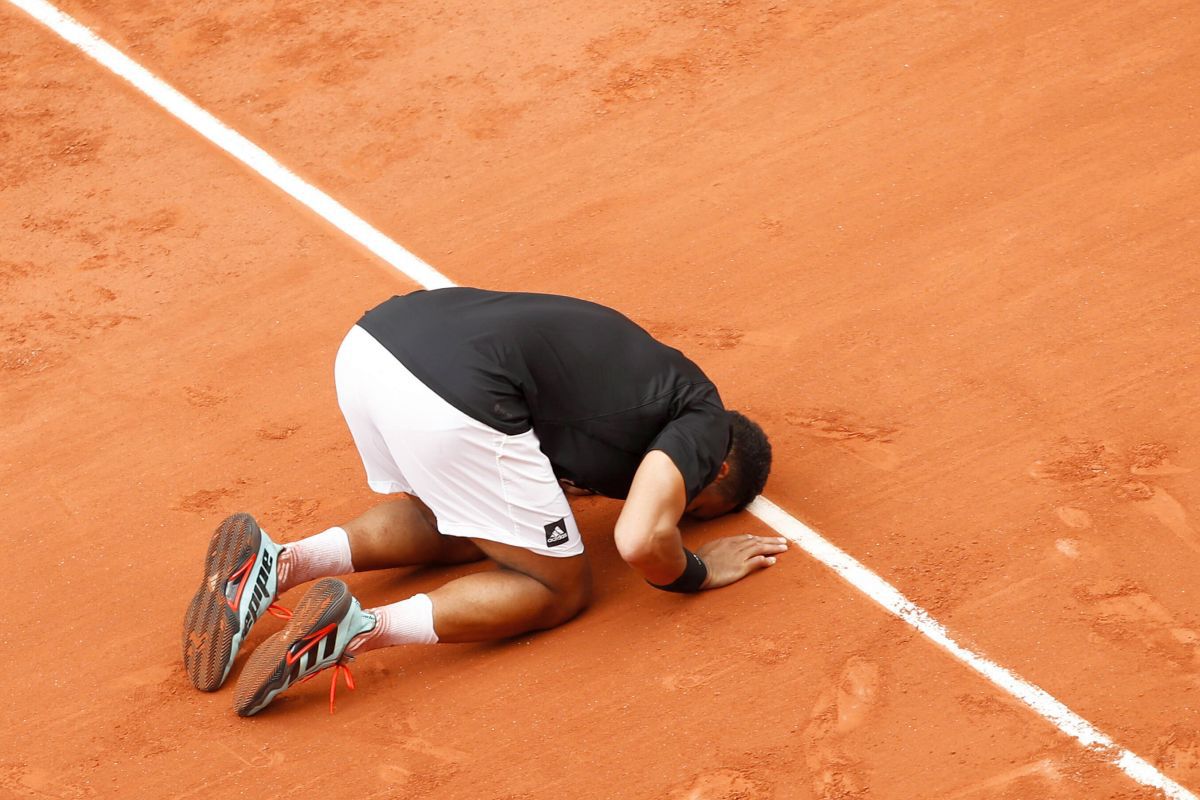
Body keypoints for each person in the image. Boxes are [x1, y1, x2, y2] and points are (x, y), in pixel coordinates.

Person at [182, 288, 782, 716]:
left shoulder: (637, 387)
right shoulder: (704, 421)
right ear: (718, 467)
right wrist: (696, 572)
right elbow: (639, 539)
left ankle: (279, 563)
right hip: (455, 396)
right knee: (559, 586)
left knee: (471, 516)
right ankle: (355, 629)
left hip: (373, 347)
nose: (677, 507)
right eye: (692, 505)